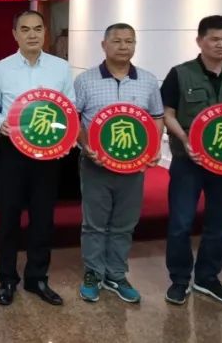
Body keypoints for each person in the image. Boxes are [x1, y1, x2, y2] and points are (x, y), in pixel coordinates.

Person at [160, 15, 222, 307]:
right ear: (200, 41)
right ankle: (179, 279)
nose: (221, 44)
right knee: (181, 222)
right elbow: (168, 114)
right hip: (189, 161)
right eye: (215, 39)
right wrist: (185, 140)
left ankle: (208, 278)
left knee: (220, 223)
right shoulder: (180, 73)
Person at [73, 23, 164, 304]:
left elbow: (156, 117)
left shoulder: (148, 80)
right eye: (117, 41)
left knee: (124, 223)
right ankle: (93, 273)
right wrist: (86, 146)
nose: (124, 46)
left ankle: (116, 274)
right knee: (94, 223)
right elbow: (74, 119)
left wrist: (154, 148)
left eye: (129, 41)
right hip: (95, 165)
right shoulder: (85, 80)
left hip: (133, 167)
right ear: (104, 45)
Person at [0, 10, 75, 306]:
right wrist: (0, 123)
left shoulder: (60, 67)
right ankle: (7, 279)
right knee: (8, 217)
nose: (32, 34)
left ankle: (37, 278)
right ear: (15, 34)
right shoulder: (0, 68)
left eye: (38, 28)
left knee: (43, 217)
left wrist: (65, 136)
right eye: (25, 29)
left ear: (45, 33)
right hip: (12, 150)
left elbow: (70, 104)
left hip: (48, 150)